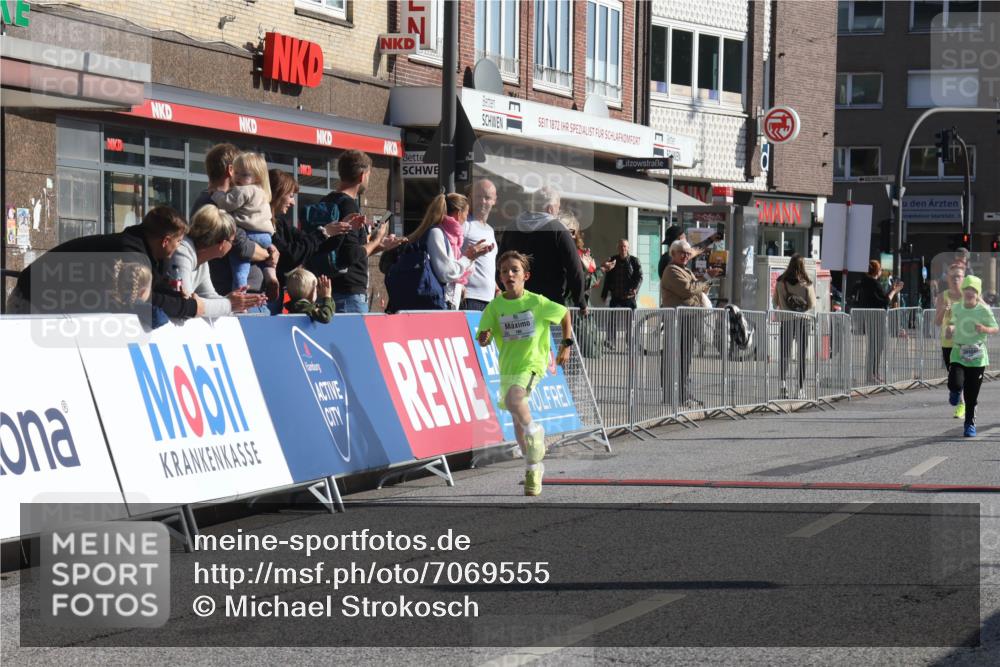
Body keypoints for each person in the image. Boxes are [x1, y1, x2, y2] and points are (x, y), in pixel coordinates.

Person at [476, 251, 574, 497]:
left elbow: (564, 314)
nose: (509, 274)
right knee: (516, 422)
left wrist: (566, 344)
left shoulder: (537, 302)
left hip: (532, 364)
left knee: (514, 401)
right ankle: (533, 468)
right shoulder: (495, 306)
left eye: (514, 270)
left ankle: (536, 431)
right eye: (504, 271)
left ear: (525, 276)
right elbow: (483, 337)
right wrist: (484, 337)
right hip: (508, 367)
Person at [6, 206, 194, 320]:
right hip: (31, 299)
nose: (179, 247)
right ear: (165, 240)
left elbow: (151, 288)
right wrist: (191, 308)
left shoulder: (139, 249)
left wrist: (177, 297)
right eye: (178, 241)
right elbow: (140, 298)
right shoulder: (131, 255)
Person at [316, 149, 402, 313]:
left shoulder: (326, 201)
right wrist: (377, 240)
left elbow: (345, 250)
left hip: (327, 289)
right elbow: (351, 255)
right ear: (362, 176)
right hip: (348, 295)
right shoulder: (349, 205)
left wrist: (379, 246)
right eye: (369, 175)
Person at [194, 144, 278, 304]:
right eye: (239, 170)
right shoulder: (214, 203)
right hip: (236, 299)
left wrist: (270, 251)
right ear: (231, 170)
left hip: (246, 297)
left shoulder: (230, 200)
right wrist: (268, 254)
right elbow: (243, 246)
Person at [268, 169, 353, 311]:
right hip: (263, 297)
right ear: (277, 194)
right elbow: (290, 255)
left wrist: (342, 228)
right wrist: (324, 233)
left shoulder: (280, 223)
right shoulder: (264, 224)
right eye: (290, 196)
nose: (293, 202)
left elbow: (312, 246)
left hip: (274, 297)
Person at [498, 186, 586, 313]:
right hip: (550, 303)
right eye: (558, 207)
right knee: (548, 334)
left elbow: (499, 263)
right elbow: (574, 268)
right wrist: (580, 301)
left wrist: (506, 290)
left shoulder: (512, 227)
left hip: (517, 302)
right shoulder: (558, 229)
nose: (558, 211)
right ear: (550, 209)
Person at [397, 193, 493, 310]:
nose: (466, 219)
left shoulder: (451, 238)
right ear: (458, 214)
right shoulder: (437, 233)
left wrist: (472, 257)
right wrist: (468, 257)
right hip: (437, 303)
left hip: (445, 302)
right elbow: (446, 272)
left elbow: (453, 269)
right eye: (466, 214)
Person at [169, 205, 266, 318]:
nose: (233, 245)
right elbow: (188, 305)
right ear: (222, 244)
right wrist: (229, 304)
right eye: (232, 241)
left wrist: (236, 303)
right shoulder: (181, 252)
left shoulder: (202, 260)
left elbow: (208, 296)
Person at [661, 239, 722, 406]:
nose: (686, 256)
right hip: (678, 319)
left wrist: (707, 279)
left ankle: (684, 393)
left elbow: (700, 289)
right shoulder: (672, 270)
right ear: (673, 253)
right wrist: (704, 280)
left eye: (688, 253)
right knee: (678, 358)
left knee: (686, 358)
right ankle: (677, 395)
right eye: (682, 253)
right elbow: (688, 290)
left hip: (688, 318)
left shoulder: (685, 270)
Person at [211, 152, 276, 292]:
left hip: (249, 234)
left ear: (257, 177)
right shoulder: (263, 193)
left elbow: (225, 203)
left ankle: (240, 290)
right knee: (269, 262)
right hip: (266, 237)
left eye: (244, 175)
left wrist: (217, 195)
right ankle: (271, 277)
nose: (238, 178)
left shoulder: (243, 191)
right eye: (237, 173)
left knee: (240, 266)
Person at [944, 275, 998, 437]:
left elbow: (995, 328)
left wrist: (984, 329)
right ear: (963, 291)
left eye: (973, 290)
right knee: (955, 382)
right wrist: (950, 329)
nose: (969, 293)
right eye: (967, 289)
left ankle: (969, 425)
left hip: (978, 357)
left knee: (971, 395)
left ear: (978, 293)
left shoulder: (984, 310)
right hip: (959, 353)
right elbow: (952, 323)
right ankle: (954, 391)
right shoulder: (957, 307)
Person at [773, 254, 816, 399]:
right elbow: (812, 304)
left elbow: (775, 302)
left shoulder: (780, 282)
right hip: (803, 320)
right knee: (802, 355)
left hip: (786, 320)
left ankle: (783, 386)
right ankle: (800, 389)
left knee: (785, 354)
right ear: (803, 266)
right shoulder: (806, 284)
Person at [853, 259, 903, 383]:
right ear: (876, 271)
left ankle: (873, 374)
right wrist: (893, 291)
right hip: (876, 319)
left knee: (874, 347)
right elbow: (885, 301)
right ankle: (872, 374)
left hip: (870, 318)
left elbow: (879, 298)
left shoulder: (865, 283)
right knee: (876, 347)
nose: (881, 272)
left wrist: (890, 291)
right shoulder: (874, 283)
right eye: (880, 269)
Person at [461, 178, 499, 311]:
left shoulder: (489, 229)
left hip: (489, 299)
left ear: (494, 200)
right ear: (470, 198)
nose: (483, 201)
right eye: (478, 196)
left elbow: (486, 264)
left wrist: (495, 287)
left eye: (487, 197)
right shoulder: (464, 225)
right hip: (469, 297)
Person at [935, 264, 966, 419]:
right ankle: (956, 394)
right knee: (954, 376)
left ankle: (962, 404)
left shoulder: (969, 296)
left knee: (965, 375)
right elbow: (937, 321)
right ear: (948, 278)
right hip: (948, 343)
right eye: (952, 276)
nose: (955, 279)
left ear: (963, 278)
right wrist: (943, 310)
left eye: (958, 276)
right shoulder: (943, 296)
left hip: (966, 342)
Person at [602, 238, 643, 350]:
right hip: (616, 296)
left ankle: (630, 342)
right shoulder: (612, 260)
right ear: (617, 247)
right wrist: (604, 294)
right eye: (620, 246)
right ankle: (611, 341)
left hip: (629, 297)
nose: (622, 248)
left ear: (628, 248)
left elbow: (640, 277)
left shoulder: (634, 261)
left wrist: (635, 289)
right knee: (612, 320)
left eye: (624, 246)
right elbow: (608, 279)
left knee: (631, 322)